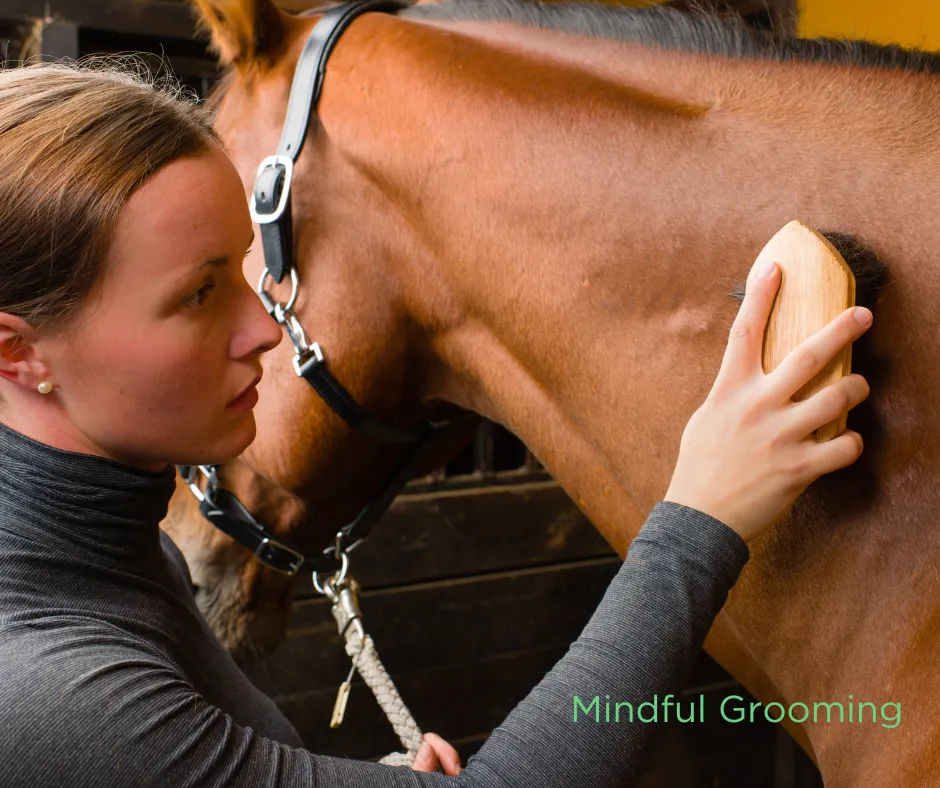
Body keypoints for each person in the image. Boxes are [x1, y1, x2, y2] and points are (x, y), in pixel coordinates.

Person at [0, 61, 872, 787]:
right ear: (19, 356)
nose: (266, 328)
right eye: (197, 293)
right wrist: (702, 516)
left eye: (241, 271)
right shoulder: (54, 697)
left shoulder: (120, 555)